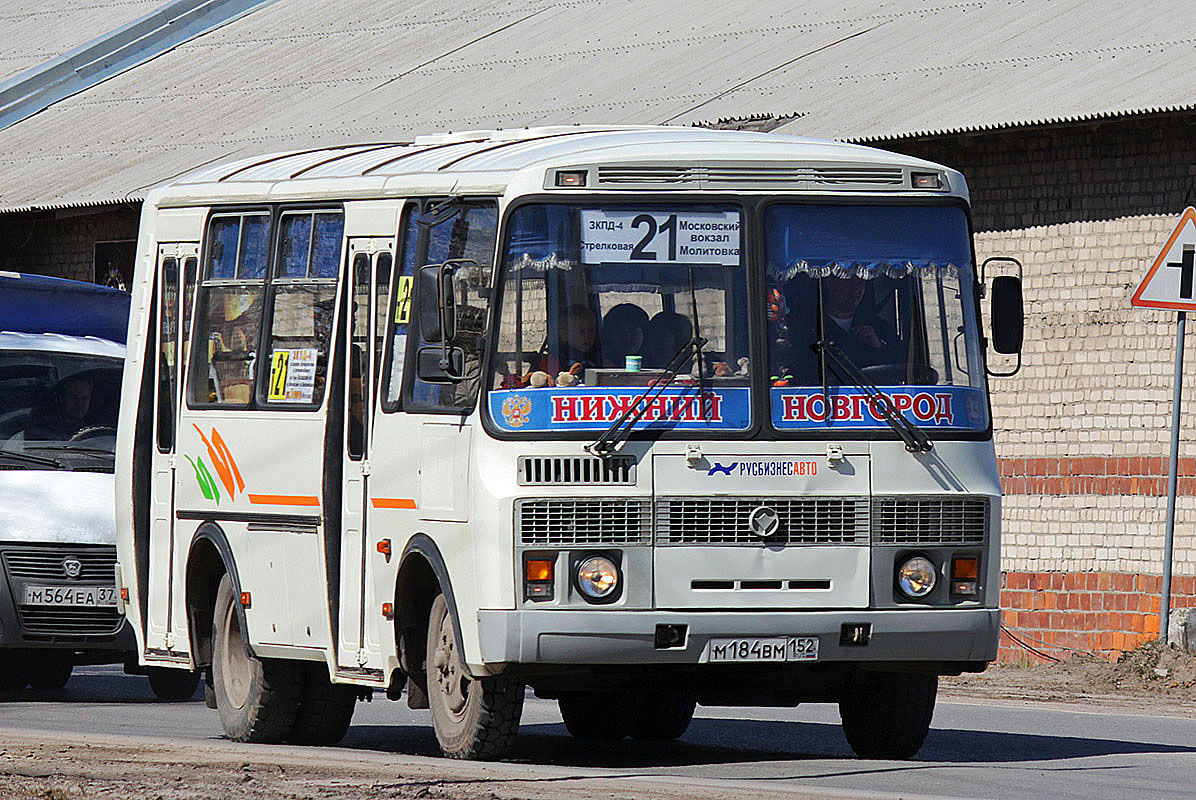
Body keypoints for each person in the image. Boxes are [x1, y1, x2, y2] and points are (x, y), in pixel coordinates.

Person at [819, 275, 902, 368]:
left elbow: (900, 370)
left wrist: (878, 348)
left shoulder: (881, 328)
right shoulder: (813, 328)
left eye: (861, 283)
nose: (856, 289)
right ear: (830, 283)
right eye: (849, 281)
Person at [538, 304, 602, 374]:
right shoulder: (551, 363)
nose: (588, 336)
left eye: (592, 330)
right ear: (565, 334)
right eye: (582, 331)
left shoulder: (601, 358)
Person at [26, 376, 93, 440]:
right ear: (62, 398)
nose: (79, 404)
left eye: (84, 398)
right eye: (74, 398)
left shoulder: (94, 426)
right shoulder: (42, 426)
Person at [600, 303, 649, 367]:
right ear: (610, 336)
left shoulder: (655, 364)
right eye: (621, 333)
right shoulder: (601, 363)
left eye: (633, 332)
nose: (627, 338)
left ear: (644, 334)